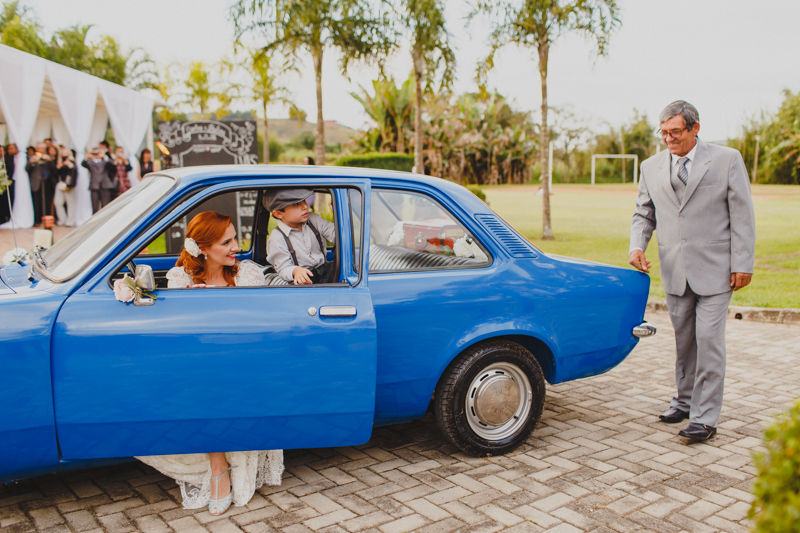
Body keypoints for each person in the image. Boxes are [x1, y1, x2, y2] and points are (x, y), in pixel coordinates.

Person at [136, 211, 283, 515]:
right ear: (203, 248)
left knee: (215, 381)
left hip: (243, 358)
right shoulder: (180, 278)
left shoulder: (248, 275)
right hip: (200, 361)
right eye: (226, 242)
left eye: (234, 238)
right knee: (197, 380)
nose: (236, 247)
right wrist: (192, 305)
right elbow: (177, 333)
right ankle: (219, 466)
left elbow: (259, 326)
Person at [629, 100, 756, 442]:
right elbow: (644, 214)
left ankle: (705, 418)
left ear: (695, 128)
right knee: (685, 344)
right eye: (664, 133)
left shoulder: (727, 160)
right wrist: (636, 245)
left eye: (676, 132)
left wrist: (743, 263)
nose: (669, 139)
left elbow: (742, 214)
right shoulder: (650, 166)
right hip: (674, 271)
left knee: (709, 343)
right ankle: (683, 401)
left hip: (717, 272)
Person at [265, 189, 336, 285]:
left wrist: (336, 213)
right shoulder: (277, 238)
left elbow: (336, 236)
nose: (305, 206)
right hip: (303, 280)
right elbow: (283, 268)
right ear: (278, 213)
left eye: (304, 201)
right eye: (296, 204)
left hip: (325, 270)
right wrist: (295, 271)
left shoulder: (313, 220)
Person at [82, 146, 117, 213]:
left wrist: (104, 155)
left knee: (106, 206)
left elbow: (113, 164)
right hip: (94, 186)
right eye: (94, 153)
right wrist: (87, 156)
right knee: (95, 207)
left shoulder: (106, 161)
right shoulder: (90, 162)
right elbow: (83, 164)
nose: (96, 155)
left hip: (105, 185)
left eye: (97, 153)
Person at [27, 142, 53, 225]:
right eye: (39, 148)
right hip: (36, 182)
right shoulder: (31, 157)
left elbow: (54, 170)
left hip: (47, 182)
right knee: (37, 201)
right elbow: (26, 169)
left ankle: (47, 219)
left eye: (43, 148)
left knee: (47, 201)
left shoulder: (49, 157)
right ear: (36, 148)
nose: (41, 150)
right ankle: (37, 220)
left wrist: (50, 161)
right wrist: (31, 162)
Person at [54, 146, 77, 226]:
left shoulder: (72, 161)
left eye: (65, 152)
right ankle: (62, 219)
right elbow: (56, 174)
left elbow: (74, 173)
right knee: (58, 202)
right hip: (60, 183)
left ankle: (70, 221)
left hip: (69, 184)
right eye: (63, 153)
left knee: (70, 203)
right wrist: (58, 167)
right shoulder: (59, 161)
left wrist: (70, 166)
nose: (64, 154)